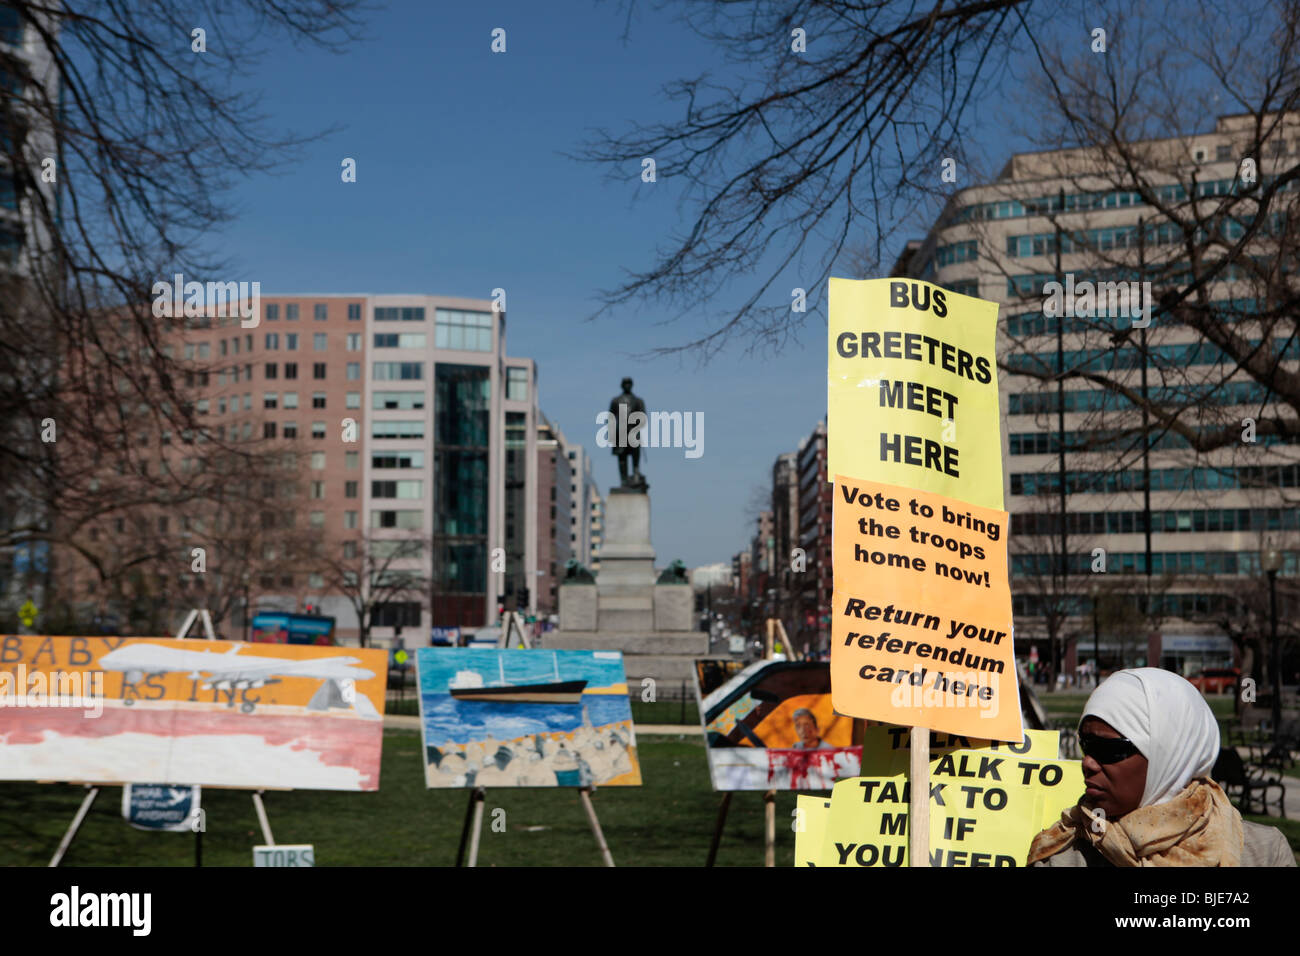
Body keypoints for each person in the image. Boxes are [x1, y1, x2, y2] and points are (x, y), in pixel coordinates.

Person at [1029, 667, 1294, 867]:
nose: (1087, 762)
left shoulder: (1264, 853)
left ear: (1169, 755)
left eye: (1109, 749)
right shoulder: (1062, 856)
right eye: (1086, 745)